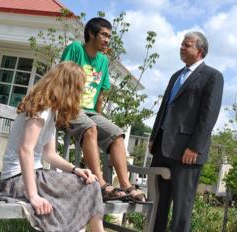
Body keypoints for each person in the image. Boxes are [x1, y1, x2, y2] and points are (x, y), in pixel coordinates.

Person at [0, 62, 104, 232]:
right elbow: (25, 149)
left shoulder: (51, 111)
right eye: (79, 88)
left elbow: (50, 154)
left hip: (35, 175)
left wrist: (76, 169)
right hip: (17, 179)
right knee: (90, 187)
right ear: (68, 86)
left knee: (89, 184)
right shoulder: (42, 107)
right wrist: (33, 196)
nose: (80, 94)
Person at [60, 17, 146, 202]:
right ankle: (100, 183)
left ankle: (126, 184)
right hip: (69, 106)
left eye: (109, 36)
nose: (107, 40)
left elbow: (101, 95)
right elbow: (60, 78)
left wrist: (99, 117)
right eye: (104, 35)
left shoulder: (103, 61)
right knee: (90, 127)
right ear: (91, 33)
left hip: (90, 111)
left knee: (117, 133)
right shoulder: (76, 49)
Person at [149, 31, 224, 231]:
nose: (181, 47)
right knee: (157, 205)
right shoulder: (175, 76)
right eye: (181, 44)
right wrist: (153, 137)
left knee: (182, 208)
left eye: (187, 45)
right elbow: (164, 108)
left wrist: (195, 147)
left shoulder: (212, 77)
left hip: (186, 152)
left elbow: (209, 116)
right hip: (162, 149)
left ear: (199, 51)